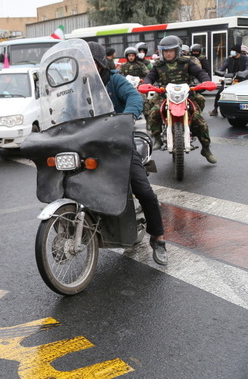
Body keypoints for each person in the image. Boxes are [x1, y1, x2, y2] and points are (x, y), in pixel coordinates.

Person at [88, 42, 168, 265]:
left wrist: (128, 116)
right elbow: (65, 107)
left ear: (101, 62)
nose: (88, 66)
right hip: (88, 144)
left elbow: (134, 98)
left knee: (144, 190)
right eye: (84, 62)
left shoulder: (114, 80)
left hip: (119, 143)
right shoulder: (79, 84)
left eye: (92, 61)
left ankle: (159, 239)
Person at [143, 35, 216, 164]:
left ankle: (206, 149)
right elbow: (150, 77)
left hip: (186, 95)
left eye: (171, 50)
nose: (168, 54)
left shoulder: (186, 62)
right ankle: (157, 139)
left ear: (177, 51)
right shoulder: (158, 65)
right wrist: (145, 84)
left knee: (201, 122)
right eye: (165, 51)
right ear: (161, 52)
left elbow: (200, 73)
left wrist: (206, 81)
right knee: (153, 112)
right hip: (164, 95)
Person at [210, 43, 248, 117]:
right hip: (230, 79)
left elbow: (247, 69)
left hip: (242, 79)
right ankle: (215, 109)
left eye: (233, 51)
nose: (232, 53)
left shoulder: (245, 59)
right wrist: (219, 72)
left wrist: (243, 73)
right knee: (220, 92)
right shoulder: (229, 59)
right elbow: (223, 67)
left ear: (238, 52)